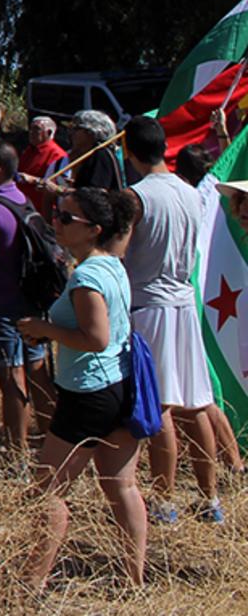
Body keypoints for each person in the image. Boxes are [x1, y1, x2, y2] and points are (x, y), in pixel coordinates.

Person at [18, 187, 147, 594]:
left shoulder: (88, 275)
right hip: (120, 386)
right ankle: (134, 579)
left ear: (93, 229)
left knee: (49, 491)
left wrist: (43, 330)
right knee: (122, 486)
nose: (56, 220)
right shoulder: (113, 263)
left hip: (88, 393)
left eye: (66, 218)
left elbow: (95, 337)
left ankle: (31, 582)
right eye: (57, 213)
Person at [121, 115, 223, 523]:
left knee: (160, 402)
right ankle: (209, 497)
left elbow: (121, 249)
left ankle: (164, 498)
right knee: (196, 401)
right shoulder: (190, 191)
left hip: (151, 304)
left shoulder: (136, 196)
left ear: (130, 151)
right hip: (182, 302)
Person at [0, 141, 54, 459]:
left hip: (0, 307)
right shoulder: (24, 202)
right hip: (32, 302)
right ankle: (52, 447)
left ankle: (16, 456)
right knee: (39, 375)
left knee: (12, 381)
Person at [16, 116, 69, 220]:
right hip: (22, 206)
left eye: (36, 129)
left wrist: (34, 180)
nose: (31, 132)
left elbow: (57, 186)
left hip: (40, 212)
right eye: (30, 128)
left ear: (49, 133)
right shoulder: (29, 150)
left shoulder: (58, 156)